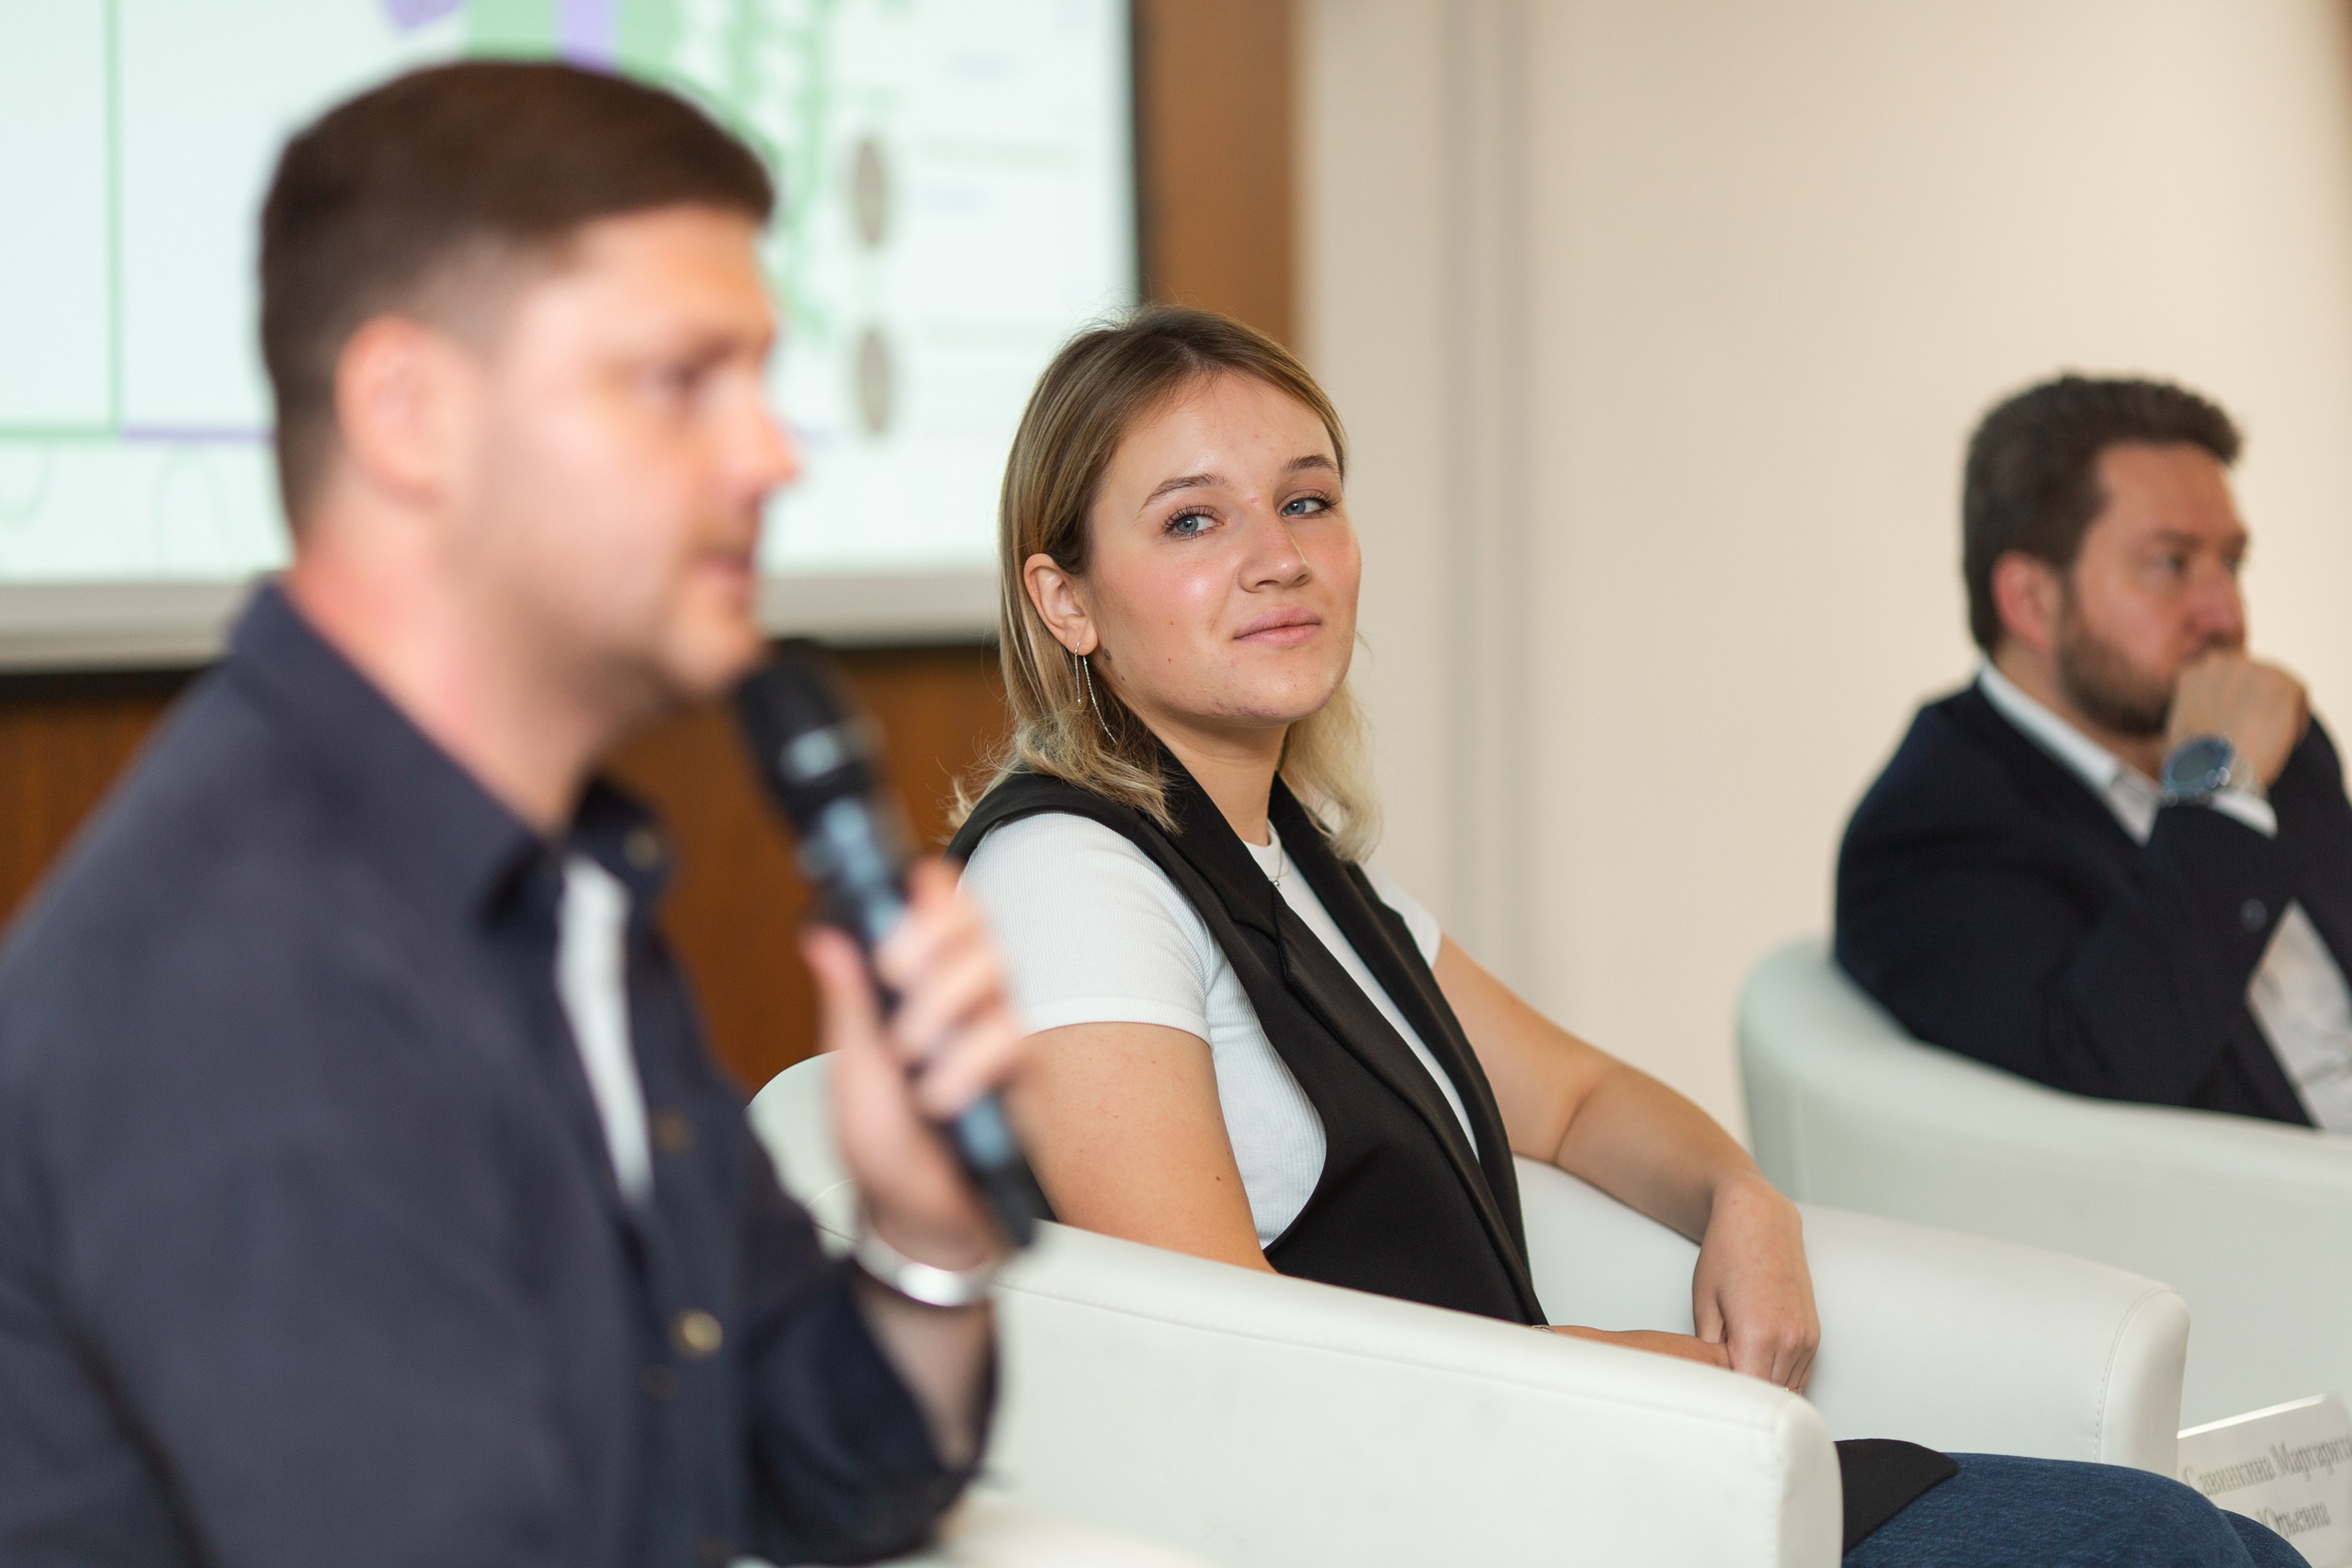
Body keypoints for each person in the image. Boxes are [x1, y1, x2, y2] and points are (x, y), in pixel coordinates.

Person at [948, 309, 2303, 1565]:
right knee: (2176, 1546)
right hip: (1448, 1508)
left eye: (1307, 499)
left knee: (2224, 1542)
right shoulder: (1069, 877)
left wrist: (1740, 1199)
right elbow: (1220, 1352)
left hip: (1552, 1464)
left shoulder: (1292, 856)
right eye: (1194, 522)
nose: (1279, 555)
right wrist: (1623, 1368)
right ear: (1066, 600)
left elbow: (1581, 1095)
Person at [0, 63, 1024, 1567]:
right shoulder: (251, 977)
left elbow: (817, 1472)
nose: (772, 457)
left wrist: (926, 1231)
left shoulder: (559, 886)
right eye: (682, 381)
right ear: (407, 414)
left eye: (760, 379)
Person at [1838, 375, 2352, 1126]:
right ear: (2032, 602)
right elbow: (2111, 1070)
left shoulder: (2278, 737)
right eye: (2171, 565)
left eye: (2230, 565)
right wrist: (2216, 787)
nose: (2226, 614)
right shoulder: (1928, 828)